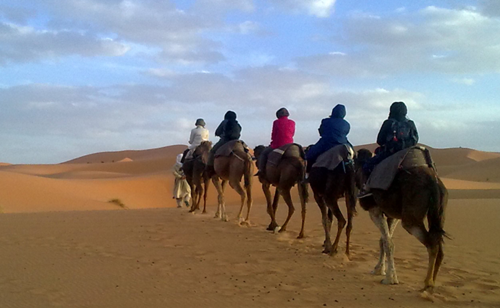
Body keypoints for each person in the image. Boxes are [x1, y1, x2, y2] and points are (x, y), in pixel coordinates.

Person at [359, 101, 419, 198]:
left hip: (391, 152)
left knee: (367, 165)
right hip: (409, 152)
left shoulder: (388, 123)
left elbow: (380, 140)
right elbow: (415, 139)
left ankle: (367, 188)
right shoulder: (410, 123)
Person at [305, 104, 351, 175]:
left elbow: (321, 132)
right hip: (343, 143)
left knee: (310, 155)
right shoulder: (347, 124)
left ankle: (307, 174)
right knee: (353, 155)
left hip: (327, 143)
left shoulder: (326, 121)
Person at [256, 107, 295, 177]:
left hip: (278, 144)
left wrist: (272, 142)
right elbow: (292, 133)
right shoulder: (292, 122)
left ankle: (261, 170)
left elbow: (274, 134)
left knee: (263, 154)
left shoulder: (276, 122)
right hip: (290, 145)